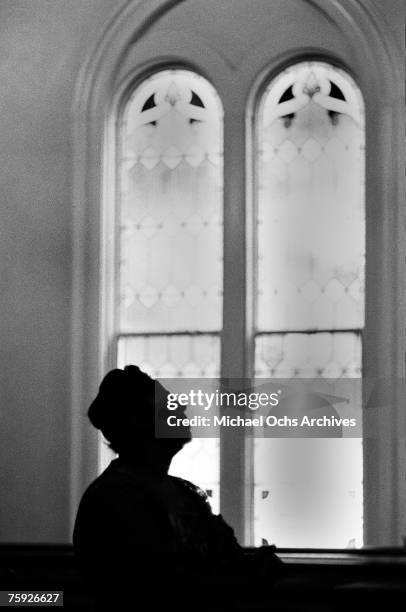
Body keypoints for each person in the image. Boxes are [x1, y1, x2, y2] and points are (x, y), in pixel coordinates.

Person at [73, 366, 282, 611]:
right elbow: (158, 587)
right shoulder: (113, 499)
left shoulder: (183, 492)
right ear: (140, 420)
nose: (181, 407)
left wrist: (250, 565)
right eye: (167, 403)